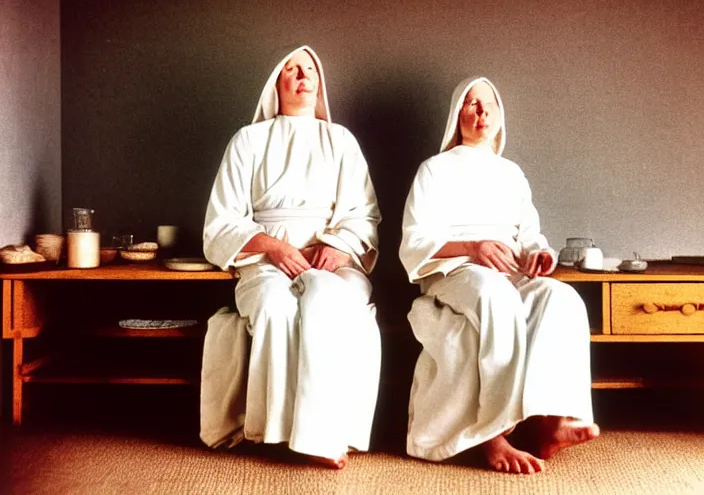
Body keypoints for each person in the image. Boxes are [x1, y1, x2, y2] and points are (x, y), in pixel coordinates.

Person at [399, 76, 599, 474]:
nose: (481, 110)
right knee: (494, 294)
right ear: (458, 116)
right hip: (455, 274)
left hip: (509, 273)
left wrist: (538, 254)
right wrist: (473, 248)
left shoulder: (511, 173)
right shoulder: (434, 170)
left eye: (488, 103)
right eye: (471, 104)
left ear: (499, 115)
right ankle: (492, 435)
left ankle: (552, 422)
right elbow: (415, 241)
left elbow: (529, 235)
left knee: (561, 298)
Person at [200, 46, 382, 470]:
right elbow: (222, 218)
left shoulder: (340, 141)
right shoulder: (248, 139)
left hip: (329, 257)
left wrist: (336, 247)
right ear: (276, 84)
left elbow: (364, 213)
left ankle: (320, 433)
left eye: (310, 71)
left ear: (319, 84)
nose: (302, 77)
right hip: (264, 258)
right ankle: (277, 431)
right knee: (273, 307)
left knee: (326, 300)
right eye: (291, 70)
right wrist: (273, 247)